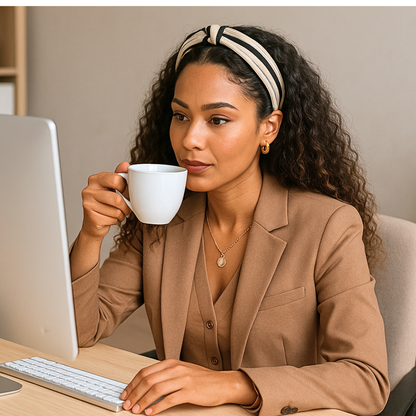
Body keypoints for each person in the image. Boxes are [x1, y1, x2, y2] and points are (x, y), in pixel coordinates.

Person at [70, 24, 390, 416]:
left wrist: (233, 384)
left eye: (217, 120)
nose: (190, 139)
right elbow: (81, 330)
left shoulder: (329, 226)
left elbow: (366, 379)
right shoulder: (160, 218)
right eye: (180, 116)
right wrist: (91, 234)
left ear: (267, 128)